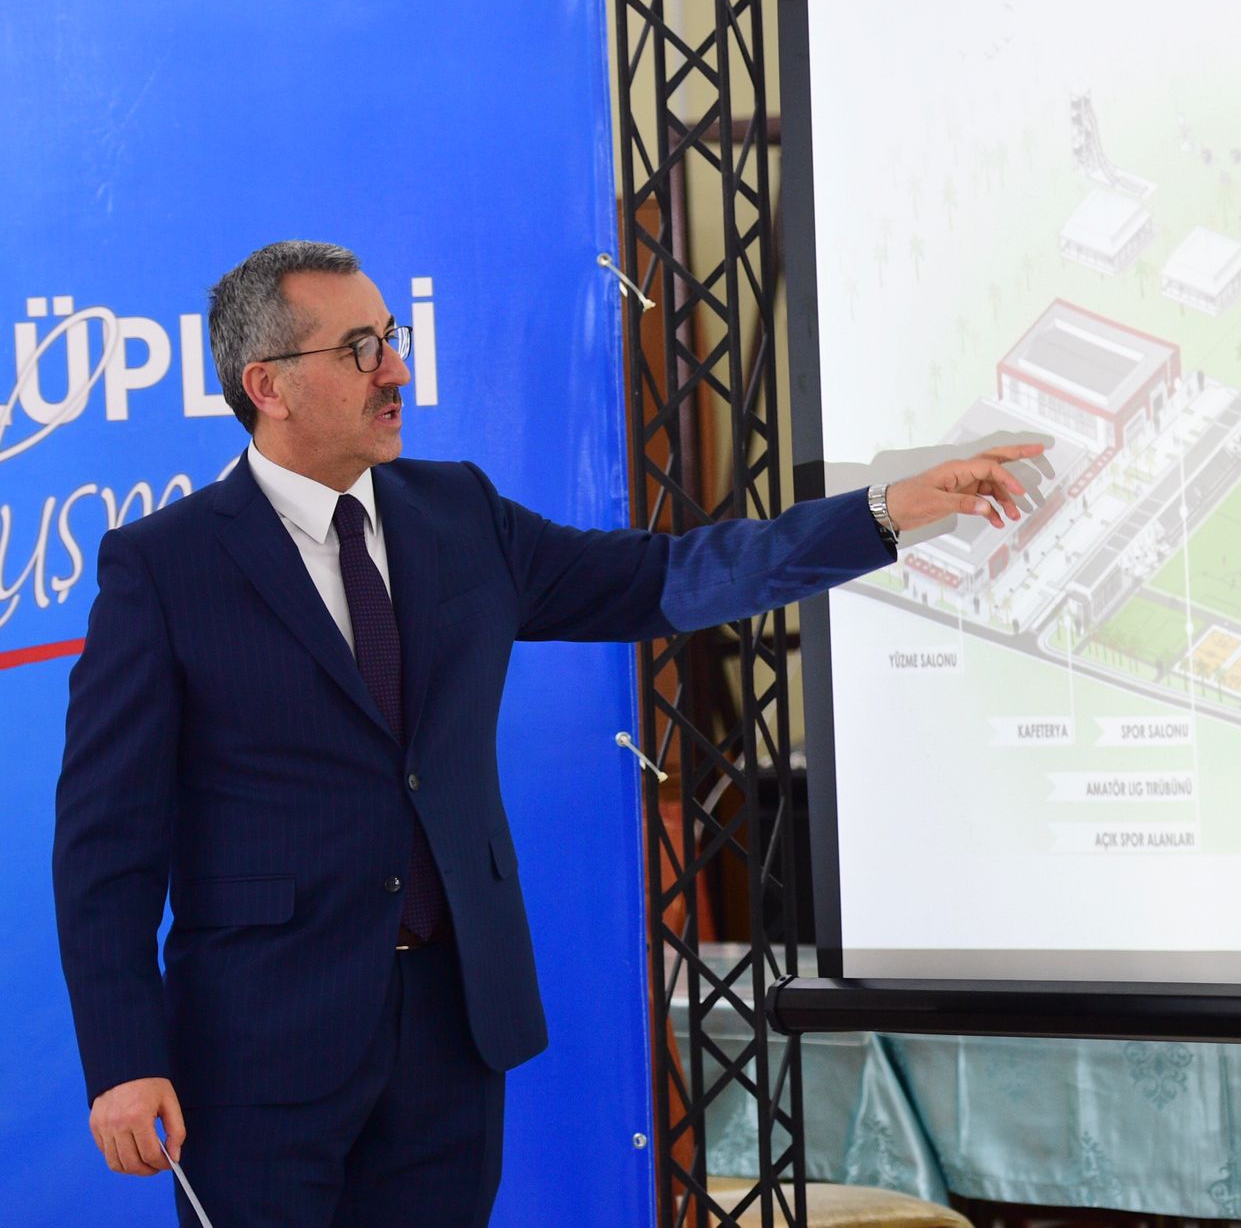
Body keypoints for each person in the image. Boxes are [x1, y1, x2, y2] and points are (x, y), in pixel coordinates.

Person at [51, 240, 1038, 1226]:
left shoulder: (460, 513)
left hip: (453, 1034)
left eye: (391, 338)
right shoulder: (164, 567)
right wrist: (124, 1060)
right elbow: (106, 843)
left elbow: (670, 576)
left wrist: (886, 514)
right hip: (258, 1048)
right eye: (360, 349)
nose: (396, 371)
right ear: (267, 384)